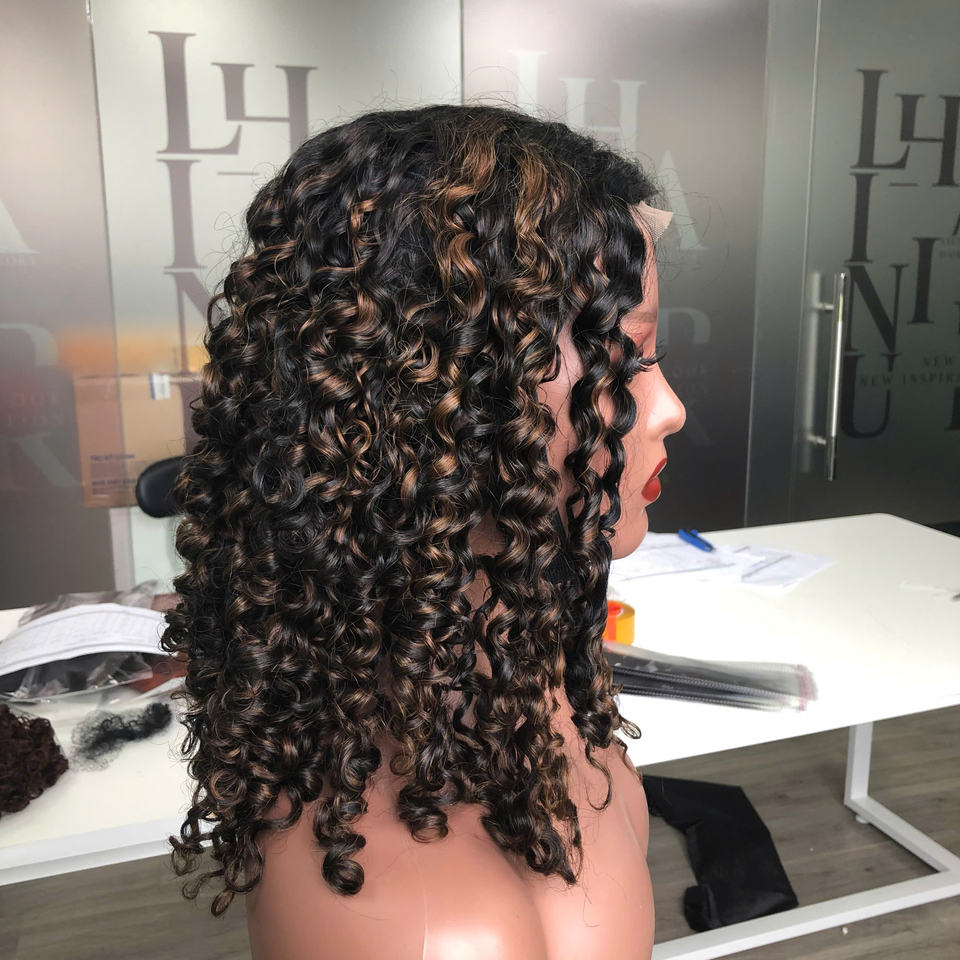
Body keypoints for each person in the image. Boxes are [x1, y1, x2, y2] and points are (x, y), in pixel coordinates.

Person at [159, 102, 685, 960]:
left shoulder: (534, 672)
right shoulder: (408, 920)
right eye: (626, 355)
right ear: (444, 398)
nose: (668, 409)